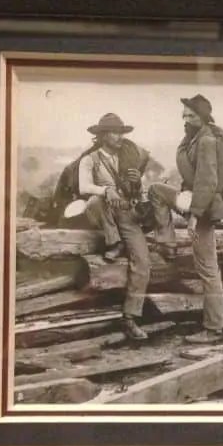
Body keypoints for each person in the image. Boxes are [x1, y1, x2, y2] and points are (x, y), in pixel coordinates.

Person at [148, 94, 223, 344]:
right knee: (155, 190)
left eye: (192, 115)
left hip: (204, 208)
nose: (186, 119)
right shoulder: (193, 137)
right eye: (184, 115)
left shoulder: (207, 140)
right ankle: (168, 243)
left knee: (208, 269)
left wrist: (194, 217)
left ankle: (214, 327)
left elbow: (208, 181)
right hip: (192, 198)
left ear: (203, 116)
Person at [78, 113, 151, 340]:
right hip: (104, 211)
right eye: (113, 132)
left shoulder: (128, 157)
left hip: (126, 212)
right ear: (101, 136)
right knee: (94, 200)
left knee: (143, 261)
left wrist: (137, 181)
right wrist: (105, 190)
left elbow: (138, 192)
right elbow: (83, 187)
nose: (119, 137)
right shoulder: (90, 160)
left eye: (121, 132)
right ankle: (114, 241)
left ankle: (130, 317)